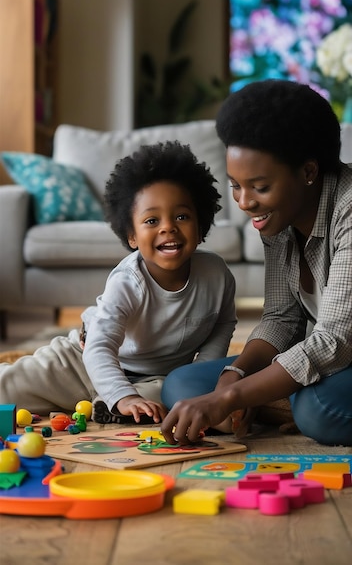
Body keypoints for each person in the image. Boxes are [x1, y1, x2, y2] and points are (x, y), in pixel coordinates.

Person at [161, 79, 352, 447]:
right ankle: (282, 397)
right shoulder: (279, 218)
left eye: (260, 187)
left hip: (342, 349)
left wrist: (232, 397)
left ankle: (288, 401)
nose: (245, 202)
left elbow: (336, 340)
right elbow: (283, 317)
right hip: (329, 356)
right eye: (235, 184)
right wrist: (236, 375)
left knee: (317, 409)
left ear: (309, 172)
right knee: (182, 385)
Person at [0, 141, 237, 425]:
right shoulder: (128, 281)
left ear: (201, 227)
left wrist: (199, 374)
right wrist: (123, 395)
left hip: (156, 378)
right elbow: (99, 348)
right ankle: (115, 400)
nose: (167, 227)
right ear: (132, 237)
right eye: (151, 220)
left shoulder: (217, 275)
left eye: (182, 216)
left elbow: (223, 325)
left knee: (173, 396)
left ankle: (109, 405)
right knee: (10, 388)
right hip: (82, 362)